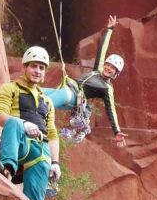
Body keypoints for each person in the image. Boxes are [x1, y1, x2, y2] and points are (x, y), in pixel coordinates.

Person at [0, 46, 61, 200]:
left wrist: (55, 162)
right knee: (13, 122)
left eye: (41, 68)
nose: (37, 71)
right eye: (34, 66)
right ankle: (6, 170)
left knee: (44, 160)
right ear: (24, 67)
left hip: (39, 148)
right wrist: (24, 124)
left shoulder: (47, 101)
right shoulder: (9, 88)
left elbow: (51, 133)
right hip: (18, 141)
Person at [43, 15, 128, 147]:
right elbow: (102, 50)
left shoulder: (107, 88)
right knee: (37, 92)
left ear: (116, 74)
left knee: (45, 103)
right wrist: (110, 29)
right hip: (67, 91)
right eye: (108, 65)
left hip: (72, 96)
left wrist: (116, 131)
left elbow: (111, 110)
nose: (109, 68)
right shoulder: (97, 71)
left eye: (113, 69)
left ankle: (39, 128)